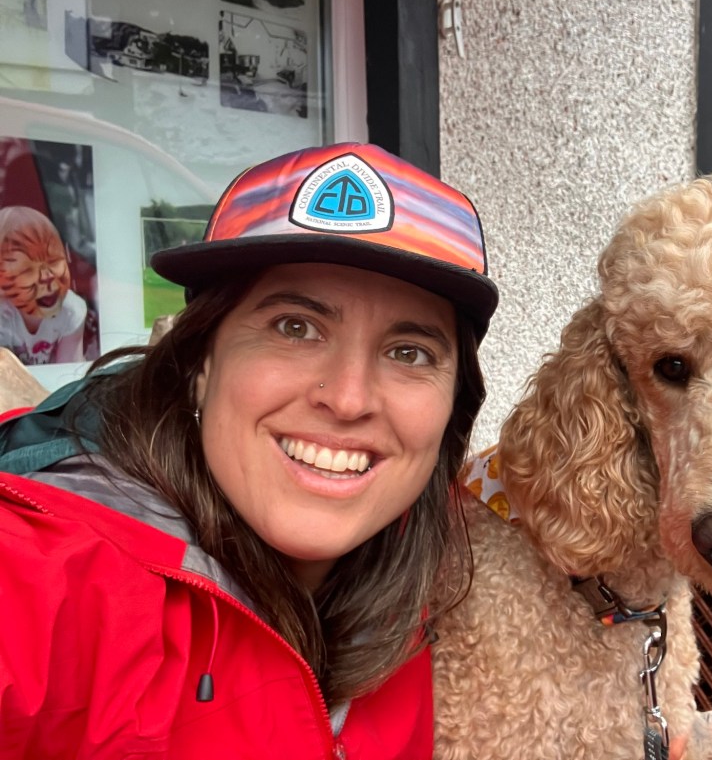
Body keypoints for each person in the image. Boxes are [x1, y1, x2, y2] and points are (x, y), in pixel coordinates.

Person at [0, 142, 498, 759]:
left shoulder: (435, 561)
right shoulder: (41, 581)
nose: (348, 399)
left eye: (409, 352)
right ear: (200, 365)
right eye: (295, 327)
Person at [0, 205, 87, 364]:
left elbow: (70, 371)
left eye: (54, 261)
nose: (47, 277)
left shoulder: (71, 310)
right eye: (27, 270)